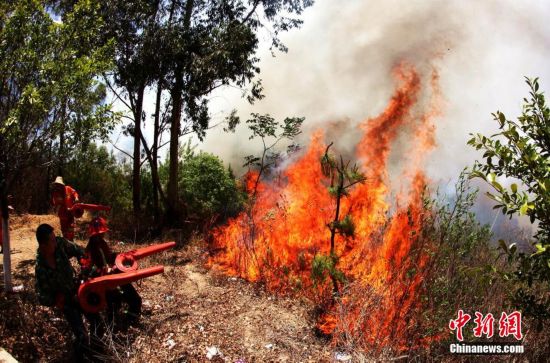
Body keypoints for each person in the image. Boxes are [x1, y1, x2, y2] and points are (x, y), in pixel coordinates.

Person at [34, 223, 102, 360]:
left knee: (97, 322)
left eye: (55, 238)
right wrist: (55, 299)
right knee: (81, 336)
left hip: (77, 290)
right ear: (43, 245)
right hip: (66, 302)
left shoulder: (60, 243)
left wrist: (84, 265)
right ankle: (80, 357)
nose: (56, 241)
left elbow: (79, 250)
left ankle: (97, 353)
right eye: (52, 240)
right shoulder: (40, 268)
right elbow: (41, 296)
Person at [86, 217, 142, 326]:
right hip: (102, 283)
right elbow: (87, 269)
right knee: (114, 304)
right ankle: (113, 327)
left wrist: (118, 257)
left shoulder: (102, 244)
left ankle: (131, 318)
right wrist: (102, 271)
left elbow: (109, 258)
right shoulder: (90, 250)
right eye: (98, 234)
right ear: (93, 234)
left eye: (101, 234)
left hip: (113, 277)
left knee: (134, 299)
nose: (100, 236)